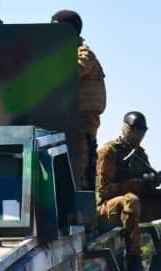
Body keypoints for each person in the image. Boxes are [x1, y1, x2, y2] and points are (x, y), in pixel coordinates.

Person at [96, 111, 161, 271]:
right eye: (134, 130)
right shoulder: (108, 151)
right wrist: (139, 182)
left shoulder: (140, 154)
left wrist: (156, 184)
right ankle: (133, 259)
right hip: (108, 208)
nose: (138, 135)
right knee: (131, 200)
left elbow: (145, 188)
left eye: (142, 132)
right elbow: (103, 192)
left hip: (135, 207)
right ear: (124, 128)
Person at [51, 10, 105, 191]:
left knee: (80, 175)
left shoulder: (83, 53)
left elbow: (72, 71)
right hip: (64, 123)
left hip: (81, 125)